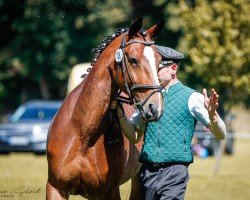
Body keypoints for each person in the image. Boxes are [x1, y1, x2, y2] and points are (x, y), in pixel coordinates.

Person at [113, 45, 227, 200]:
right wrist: (119, 111)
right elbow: (134, 135)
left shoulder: (192, 97)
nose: (152, 72)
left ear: (173, 69)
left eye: (157, 68)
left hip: (174, 172)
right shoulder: (149, 99)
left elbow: (221, 134)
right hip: (147, 172)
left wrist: (213, 117)